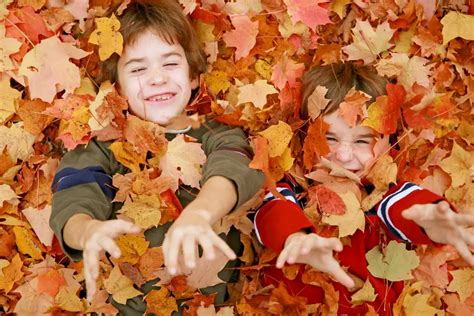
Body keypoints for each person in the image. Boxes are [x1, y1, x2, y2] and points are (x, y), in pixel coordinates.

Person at [49, 1, 264, 314]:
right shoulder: (101, 148)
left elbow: (234, 165)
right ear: (117, 87)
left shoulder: (217, 132)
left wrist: (202, 212)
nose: (157, 78)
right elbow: (75, 197)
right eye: (138, 69)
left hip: (217, 307)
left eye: (170, 63)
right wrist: (87, 231)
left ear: (193, 76)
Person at [253, 63, 474, 314]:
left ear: (388, 143)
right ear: (306, 136)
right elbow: (272, 211)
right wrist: (294, 236)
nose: (344, 156)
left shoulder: (382, 198)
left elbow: (405, 207)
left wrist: (430, 217)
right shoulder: (291, 189)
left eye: (361, 141)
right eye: (330, 138)